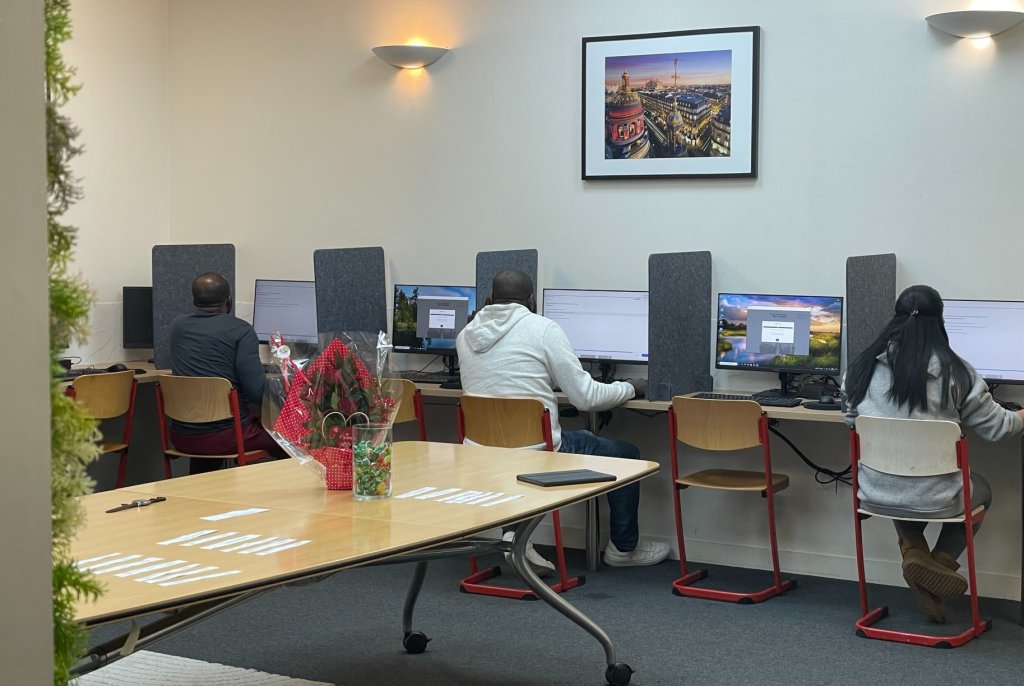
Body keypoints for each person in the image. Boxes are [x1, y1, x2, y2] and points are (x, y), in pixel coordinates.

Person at [456, 270, 670, 575]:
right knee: (625, 454)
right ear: (531, 302)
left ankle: (514, 534)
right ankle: (623, 549)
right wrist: (632, 387)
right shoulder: (543, 329)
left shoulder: (466, 335)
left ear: (489, 301)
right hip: (537, 452)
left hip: (481, 452)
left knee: (554, 440)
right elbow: (586, 398)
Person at [842, 284, 1024, 623]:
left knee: (897, 472)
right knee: (981, 488)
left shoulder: (859, 368)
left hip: (872, 494)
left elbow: (851, 422)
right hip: (937, 497)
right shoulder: (958, 372)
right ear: (940, 322)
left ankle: (915, 555)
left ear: (894, 320)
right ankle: (937, 567)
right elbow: (999, 428)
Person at [169, 272, 285, 474]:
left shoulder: (177, 326)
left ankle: (202, 496)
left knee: (210, 429)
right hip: (228, 437)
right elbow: (257, 391)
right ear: (229, 301)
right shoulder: (241, 330)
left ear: (195, 301)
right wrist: (286, 384)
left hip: (182, 436)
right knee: (288, 439)